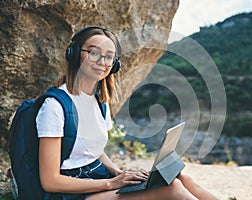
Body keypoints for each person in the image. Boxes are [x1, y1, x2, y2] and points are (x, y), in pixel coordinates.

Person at [36, 26, 219, 200]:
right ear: (74, 54)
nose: (102, 61)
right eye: (93, 53)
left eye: (109, 57)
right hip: (71, 193)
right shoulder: (54, 106)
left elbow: (94, 152)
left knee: (181, 179)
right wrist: (110, 183)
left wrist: (118, 173)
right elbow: (50, 181)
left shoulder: (99, 102)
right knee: (173, 189)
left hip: (97, 181)